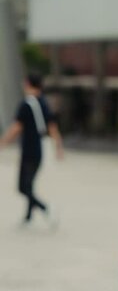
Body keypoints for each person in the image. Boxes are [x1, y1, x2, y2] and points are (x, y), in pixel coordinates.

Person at [0, 73, 64, 226]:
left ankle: (45, 208)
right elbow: (52, 126)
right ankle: (28, 217)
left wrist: (2, 142)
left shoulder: (26, 104)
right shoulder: (43, 102)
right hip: (40, 149)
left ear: (28, 83)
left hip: (29, 150)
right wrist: (58, 146)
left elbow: (16, 127)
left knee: (23, 187)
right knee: (29, 184)